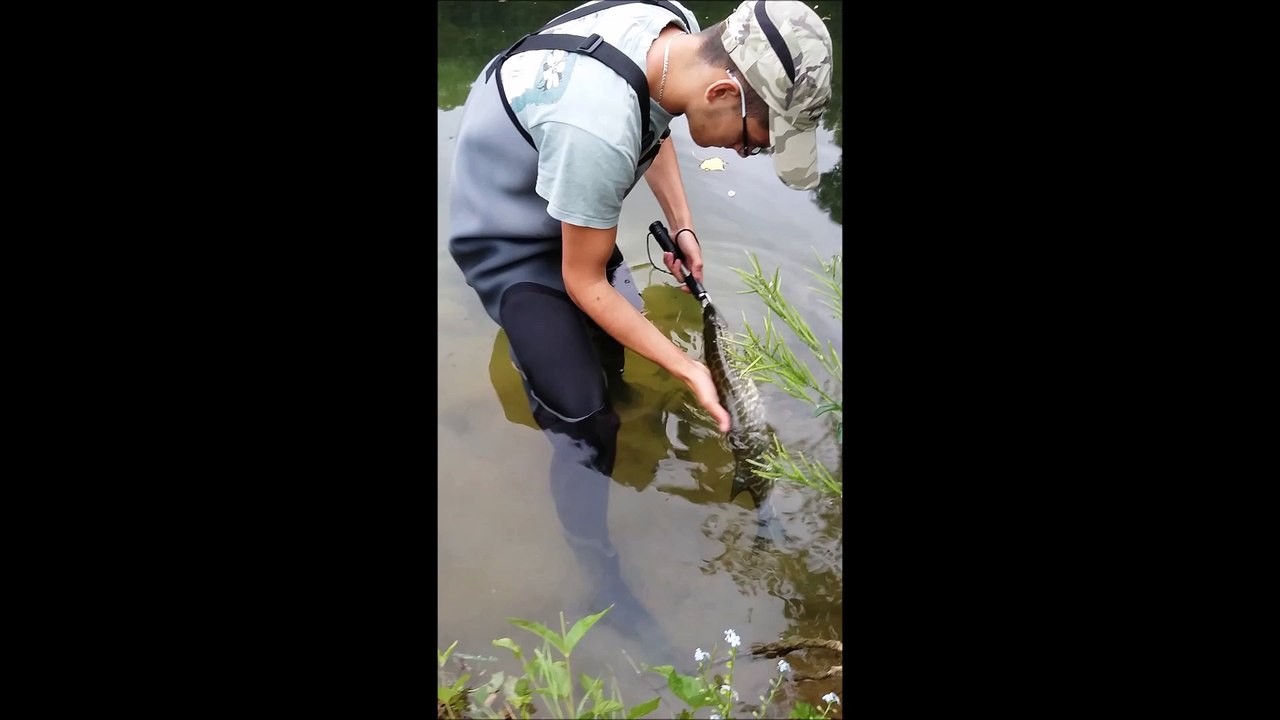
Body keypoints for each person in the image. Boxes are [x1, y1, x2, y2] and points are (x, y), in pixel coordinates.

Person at [447, 0, 833, 655]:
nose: (745, 154)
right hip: (510, 231)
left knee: (614, 354)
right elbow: (584, 279)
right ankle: (600, 579)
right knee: (586, 420)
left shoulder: (671, 32)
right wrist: (691, 369)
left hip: (565, 182)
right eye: (750, 139)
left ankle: (587, 367)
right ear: (722, 91)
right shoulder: (595, 127)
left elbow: (647, 123)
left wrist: (682, 225)